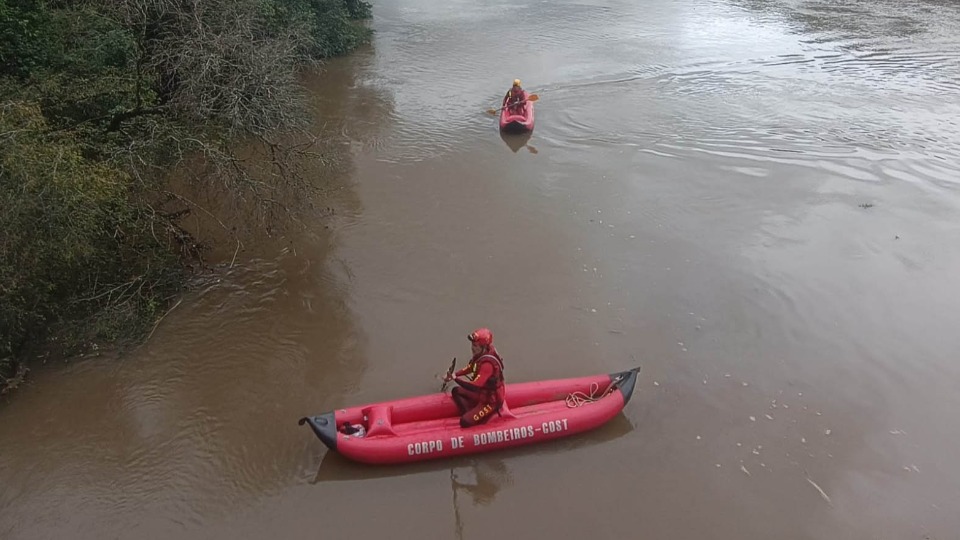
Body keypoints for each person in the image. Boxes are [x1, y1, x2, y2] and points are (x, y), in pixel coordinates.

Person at [444, 327, 506, 428]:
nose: (472, 348)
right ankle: (472, 413)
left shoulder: (487, 365)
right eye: (472, 345)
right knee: (456, 391)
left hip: (491, 401)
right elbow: (471, 368)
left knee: (464, 422)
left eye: (475, 346)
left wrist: (455, 378)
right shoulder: (480, 355)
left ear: (483, 347)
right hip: (482, 394)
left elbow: (474, 387)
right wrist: (455, 374)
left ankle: (481, 420)